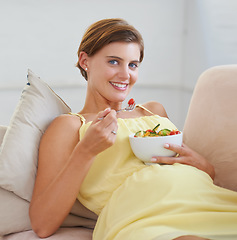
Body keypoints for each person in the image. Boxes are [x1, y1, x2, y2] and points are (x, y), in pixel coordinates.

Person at [29, 18, 237, 240]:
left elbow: (188, 169)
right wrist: (86, 151)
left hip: (207, 201)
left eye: (133, 65)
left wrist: (205, 167)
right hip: (144, 218)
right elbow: (42, 224)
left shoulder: (154, 111)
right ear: (84, 61)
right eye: (113, 62)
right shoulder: (69, 126)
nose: (125, 75)